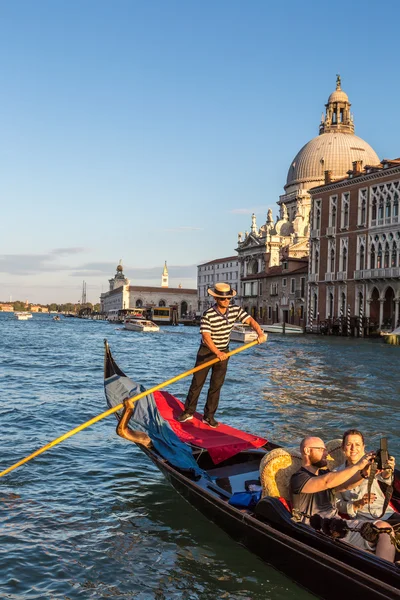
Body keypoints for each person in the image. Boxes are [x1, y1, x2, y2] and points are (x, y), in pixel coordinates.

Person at [290, 436, 395, 562]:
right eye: (321, 449)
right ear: (307, 451)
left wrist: (364, 473)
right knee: (384, 530)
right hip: (315, 529)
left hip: (337, 525)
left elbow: (346, 485)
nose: (326, 453)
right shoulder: (299, 478)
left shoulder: (325, 473)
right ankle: (384, 574)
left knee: (384, 529)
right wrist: (357, 466)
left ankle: (385, 570)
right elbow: (327, 482)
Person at [177, 282, 266, 428]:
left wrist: (260, 332)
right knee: (197, 383)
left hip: (224, 351)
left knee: (216, 385)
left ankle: (209, 416)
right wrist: (217, 352)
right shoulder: (208, 314)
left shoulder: (235, 310)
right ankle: (188, 412)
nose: (226, 301)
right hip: (206, 352)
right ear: (216, 299)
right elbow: (206, 337)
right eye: (223, 299)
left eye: (228, 299)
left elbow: (250, 320)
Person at [335, 429, 398, 523]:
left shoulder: (372, 464)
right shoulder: (336, 473)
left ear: (363, 447)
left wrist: (388, 470)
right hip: (362, 518)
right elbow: (338, 504)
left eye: (357, 445)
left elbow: (385, 478)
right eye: (349, 445)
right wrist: (358, 503)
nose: (353, 448)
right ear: (343, 448)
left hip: (385, 513)